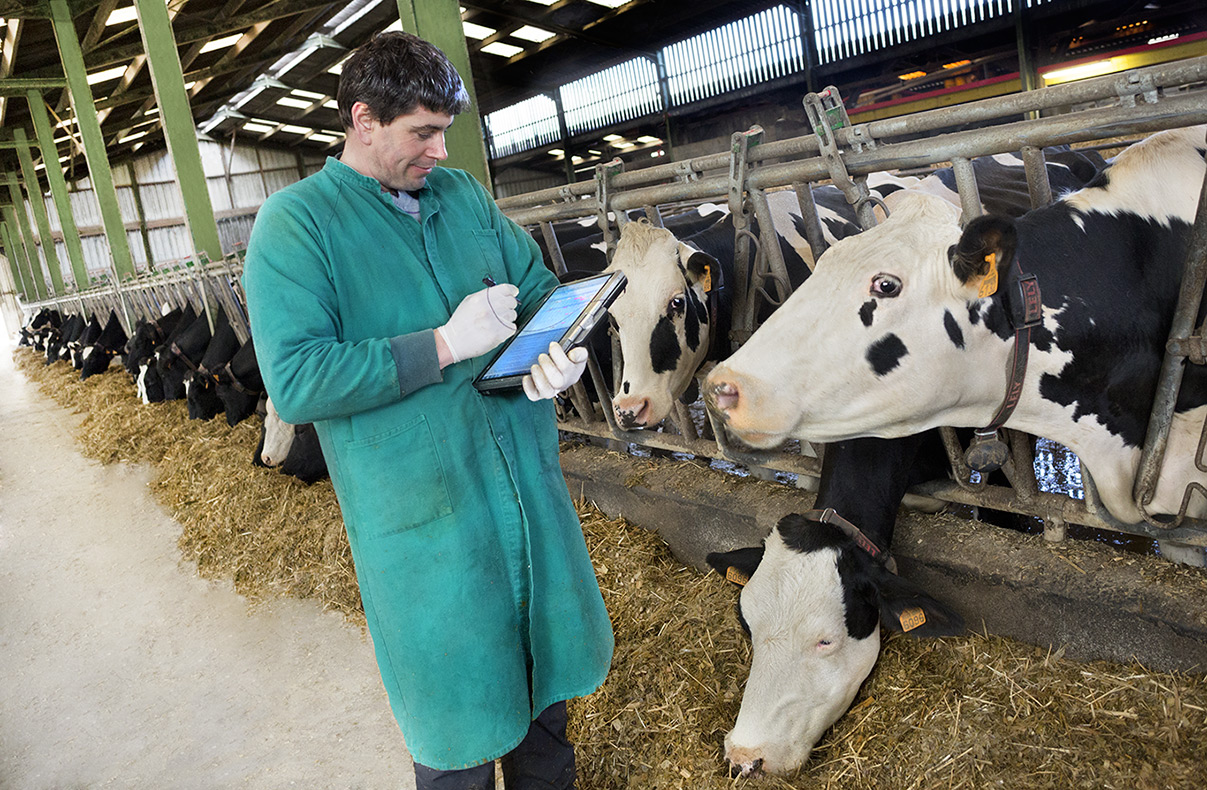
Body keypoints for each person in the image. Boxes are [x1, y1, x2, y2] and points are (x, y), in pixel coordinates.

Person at [242, 31, 613, 790]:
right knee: (457, 733)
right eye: (423, 132)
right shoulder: (297, 224)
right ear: (363, 120)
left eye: (444, 132)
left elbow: (537, 288)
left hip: (523, 496)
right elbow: (300, 380)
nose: (439, 152)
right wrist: (440, 344)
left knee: (546, 714)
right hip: (426, 526)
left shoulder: (462, 198)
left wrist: (558, 348)